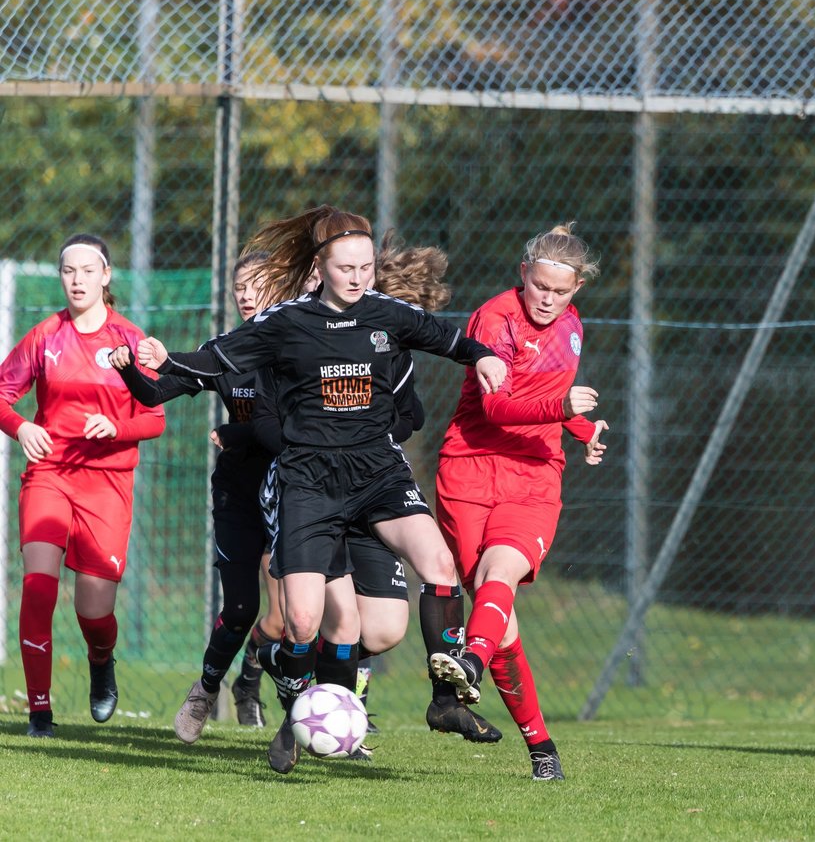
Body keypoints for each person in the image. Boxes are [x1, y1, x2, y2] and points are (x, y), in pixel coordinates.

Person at [132, 205, 506, 774]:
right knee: (302, 623)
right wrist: (165, 359)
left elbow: (448, 338)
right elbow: (216, 360)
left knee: (439, 563)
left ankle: (446, 699)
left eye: (366, 267)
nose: (359, 278)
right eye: (347, 267)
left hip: (376, 470)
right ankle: (291, 697)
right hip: (308, 479)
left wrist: (482, 357)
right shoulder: (285, 322)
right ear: (320, 267)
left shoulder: (386, 313)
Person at [429, 222, 608, 781]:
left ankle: (469, 661)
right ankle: (542, 748)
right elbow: (498, 409)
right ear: (523, 274)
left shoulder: (572, 326)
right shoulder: (495, 319)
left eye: (563, 290)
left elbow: (547, 404)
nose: (550, 299)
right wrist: (561, 407)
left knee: (498, 570)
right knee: (498, 618)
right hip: (469, 469)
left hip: (534, 474)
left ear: (577, 288)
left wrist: (581, 430)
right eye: (541, 287)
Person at [108, 253, 286, 741]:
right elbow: (154, 394)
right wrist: (128, 370)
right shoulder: (223, 352)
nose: (246, 294)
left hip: (294, 490)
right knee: (244, 607)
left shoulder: (297, 349)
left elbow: (295, 426)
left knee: (298, 612)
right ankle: (207, 691)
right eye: (239, 285)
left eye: (257, 283)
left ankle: (303, 710)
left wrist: (238, 432)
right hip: (238, 493)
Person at [0, 234, 166, 737]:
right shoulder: (44, 336)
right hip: (50, 474)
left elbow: (155, 418)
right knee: (38, 587)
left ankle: (101, 660)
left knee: (93, 609)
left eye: (87, 270)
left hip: (108, 482)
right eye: (68, 271)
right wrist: (22, 425)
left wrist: (117, 428)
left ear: (107, 275)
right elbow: (3, 395)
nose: (77, 280)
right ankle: (40, 713)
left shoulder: (130, 341)